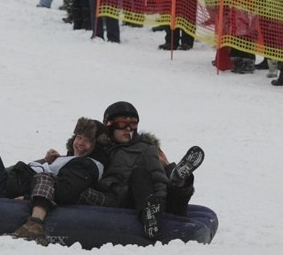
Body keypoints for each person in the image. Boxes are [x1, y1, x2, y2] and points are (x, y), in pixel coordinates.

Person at [76, 101, 204, 240]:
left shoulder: (146, 148)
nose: (128, 128)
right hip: (117, 198)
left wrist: (159, 203)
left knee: (143, 175)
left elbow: (158, 179)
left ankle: (179, 180)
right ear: (109, 125)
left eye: (133, 123)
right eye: (122, 123)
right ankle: (176, 180)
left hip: (144, 199)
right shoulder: (101, 148)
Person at [10, 118, 108, 245]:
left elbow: (65, 191)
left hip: (12, 185)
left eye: (88, 140)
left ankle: (34, 225)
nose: (80, 143)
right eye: (79, 137)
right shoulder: (72, 160)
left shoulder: (87, 164)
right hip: (17, 182)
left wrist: (27, 198)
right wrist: (47, 161)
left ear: (97, 146)